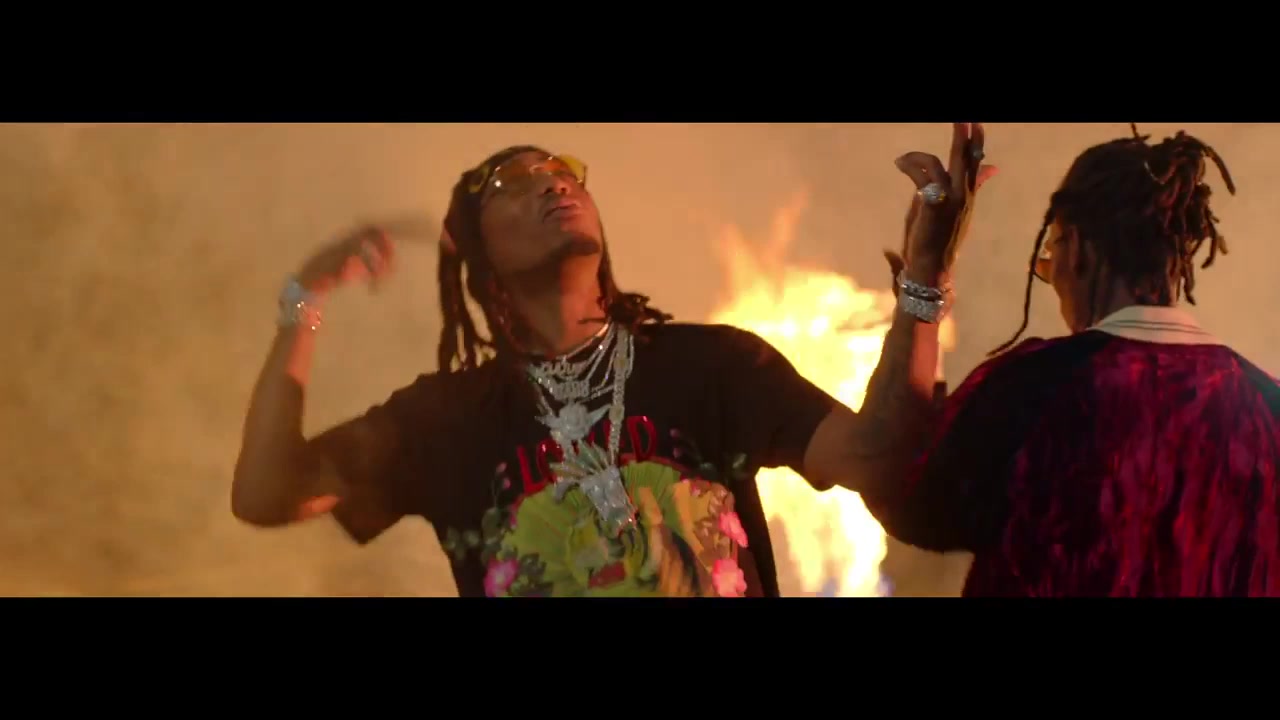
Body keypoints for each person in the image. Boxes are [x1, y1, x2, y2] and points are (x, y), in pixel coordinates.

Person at [231, 124, 993, 597]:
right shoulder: (445, 421)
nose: (555, 182)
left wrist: (924, 279)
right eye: (515, 180)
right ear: (477, 256)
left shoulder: (713, 366)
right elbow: (267, 493)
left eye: (563, 170)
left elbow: (878, 457)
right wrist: (304, 299)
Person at [865, 125, 1280, 597]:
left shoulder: (1035, 390)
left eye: (1050, 252)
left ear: (1077, 249)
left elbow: (899, 488)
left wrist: (923, 287)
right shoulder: (1269, 410)